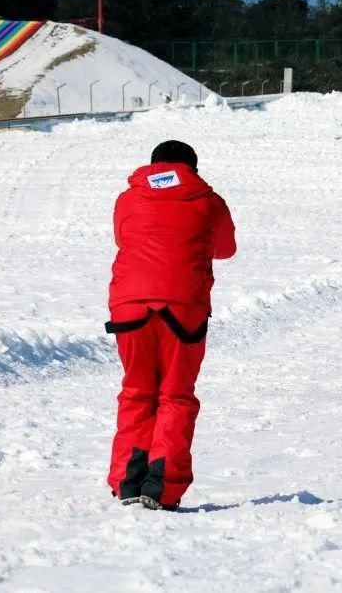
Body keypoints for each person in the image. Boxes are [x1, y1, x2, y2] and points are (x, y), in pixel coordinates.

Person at [105, 140, 236, 510]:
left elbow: (122, 237)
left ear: (153, 165)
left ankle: (128, 482)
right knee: (175, 395)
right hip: (183, 306)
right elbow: (226, 249)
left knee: (136, 392)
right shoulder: (209, 200)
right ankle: (161, 487)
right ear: (192, 168)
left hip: (128, 306)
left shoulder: (127, 199)